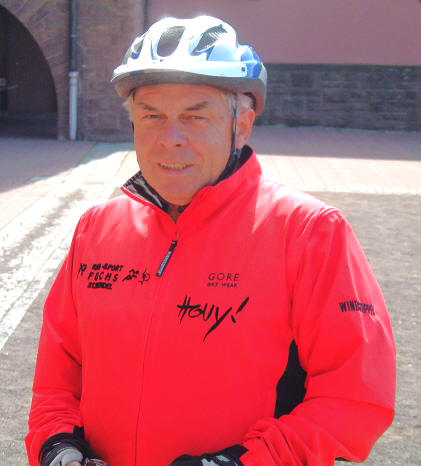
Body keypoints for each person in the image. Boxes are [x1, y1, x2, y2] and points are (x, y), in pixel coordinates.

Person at [26, 15, 396, 466]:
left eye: (195, 116)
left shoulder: (309, 232)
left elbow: (355, 396)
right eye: (152, 115)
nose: (170, 139)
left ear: (242, 124)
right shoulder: (97, 228)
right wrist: (58, 446)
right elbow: (56, 378)